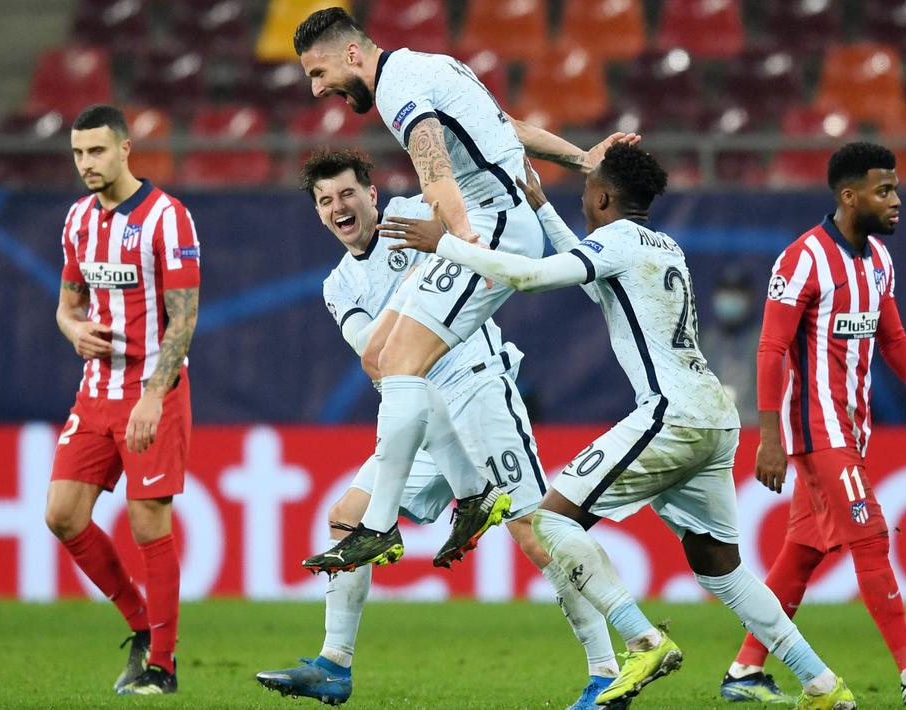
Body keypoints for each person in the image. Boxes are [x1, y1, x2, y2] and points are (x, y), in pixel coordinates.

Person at [382, 145, 857, 710]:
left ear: (604, 196)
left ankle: (643, 640)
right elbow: (595, 279)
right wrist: (544, 212)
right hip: (716, 419)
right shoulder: (664, 246)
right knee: (720, 568)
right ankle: (824, 684)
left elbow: (532, 276)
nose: (582, 199)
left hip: (670, 413)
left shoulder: (618, 243)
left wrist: (447, 245)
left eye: (587, 191)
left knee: (549, 522)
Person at [257, 149, 620, 709]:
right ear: (319, 214)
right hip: (419, 415)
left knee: (534, 532)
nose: (339, 207)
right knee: (346, 520)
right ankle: (334, 665)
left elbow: (473, 211)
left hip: (476, 387)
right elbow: (375, 353)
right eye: (325, 201)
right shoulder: (339, 287)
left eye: (348, 194)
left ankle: (606, 672)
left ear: (372, 195)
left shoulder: (414, 212)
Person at [292, 6, 635, 575]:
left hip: (491, 224)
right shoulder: (433, 67)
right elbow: (504, 130)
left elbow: (436, 173)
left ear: (352, 54)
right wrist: (581, 159)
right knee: (381, 356)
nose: (316, 88)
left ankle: (380, 526)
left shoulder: (398, 89)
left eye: (318, 72)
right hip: (496, 220)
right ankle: (471, 493)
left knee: (400, 361)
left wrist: (463, 241)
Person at [716, 142, 906, 706]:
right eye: (885, 190)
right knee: (871, 533)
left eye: (896, 188)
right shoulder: (803, 258)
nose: (897, 200)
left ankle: (744, 671)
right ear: (849, 195)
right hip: (817, 429)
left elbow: (894, 338)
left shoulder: (879, 261)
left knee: (803, 550)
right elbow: (771, 348)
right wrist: (770, 438)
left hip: (852, 430)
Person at [43, 104, 201, 696]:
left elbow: (184, 319)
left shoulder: (168, 218)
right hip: (96, 391)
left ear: (125, 149)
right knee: (62, 514)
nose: (87, 163)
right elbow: (68, 304)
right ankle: (140, 626)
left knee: (146, 518)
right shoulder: (77, 220)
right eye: (79, 153)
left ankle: (163, 665)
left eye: (98, 151)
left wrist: (154, 396)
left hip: (152, 392)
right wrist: (71, 329)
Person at [700, 266, 761, 425]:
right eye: (725, 292)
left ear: (750, 297)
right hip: (711, 431)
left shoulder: (762, 343)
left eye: (736, 293)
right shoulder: (707, 342)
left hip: (753, 431)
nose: (729, 298)